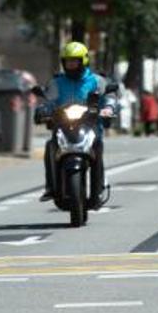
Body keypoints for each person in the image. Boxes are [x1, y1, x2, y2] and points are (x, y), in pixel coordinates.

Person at [38, 42, 116, 205]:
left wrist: (108, 108)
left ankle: (99, 186)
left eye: (75, 61)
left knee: (97, 148)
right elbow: (49, 100)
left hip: (90, 127)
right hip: (63, 127)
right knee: (50, 147)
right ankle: (51, 187)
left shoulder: (97, 81)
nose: (71, 64)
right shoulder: (57, 82)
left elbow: (109, 97)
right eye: (68, 61)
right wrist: (43, 110)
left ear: (84, 61)